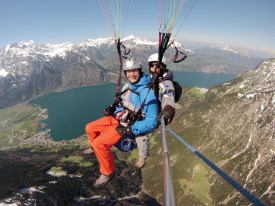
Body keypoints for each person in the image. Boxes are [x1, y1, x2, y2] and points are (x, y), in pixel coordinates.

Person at [85, 57, 158, 188]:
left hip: (128, 126)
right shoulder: (127, 87)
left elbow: (151, 122)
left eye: (134, 70)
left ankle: (107, 172)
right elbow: (122, 105)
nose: (131, 74)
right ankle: (93, 148)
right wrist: (112, 109)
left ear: (140, 71)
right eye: (128, 72)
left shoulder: (148, 93)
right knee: (90, 128)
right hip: (119, 118)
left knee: (99, 143)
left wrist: (131, 129)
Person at [134, 53, 176, 168]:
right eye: (152, 65)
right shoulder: (152, 78)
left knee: (142, 135)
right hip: (145, 108)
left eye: (157, 65)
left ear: (163, 66)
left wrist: (169, 109)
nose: (154, 68)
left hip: (154, 114)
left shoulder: (166, 83)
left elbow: (168, 96)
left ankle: (143, 156)